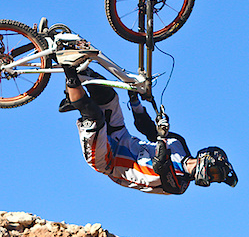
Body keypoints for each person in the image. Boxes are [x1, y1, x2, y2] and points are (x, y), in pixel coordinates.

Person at [56, 50, 237, 195]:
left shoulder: (179, 185)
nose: (210, 179)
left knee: (94, 117)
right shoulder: (179, 144)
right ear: (207, 157)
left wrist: (163, 137)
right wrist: (135, 101)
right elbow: (148, 129)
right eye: (214, 174)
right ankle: (68, 68)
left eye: (214, 179)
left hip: (109, 160)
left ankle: (68, 70)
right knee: (108, 94)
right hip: (121, 136)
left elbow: (160, 164)